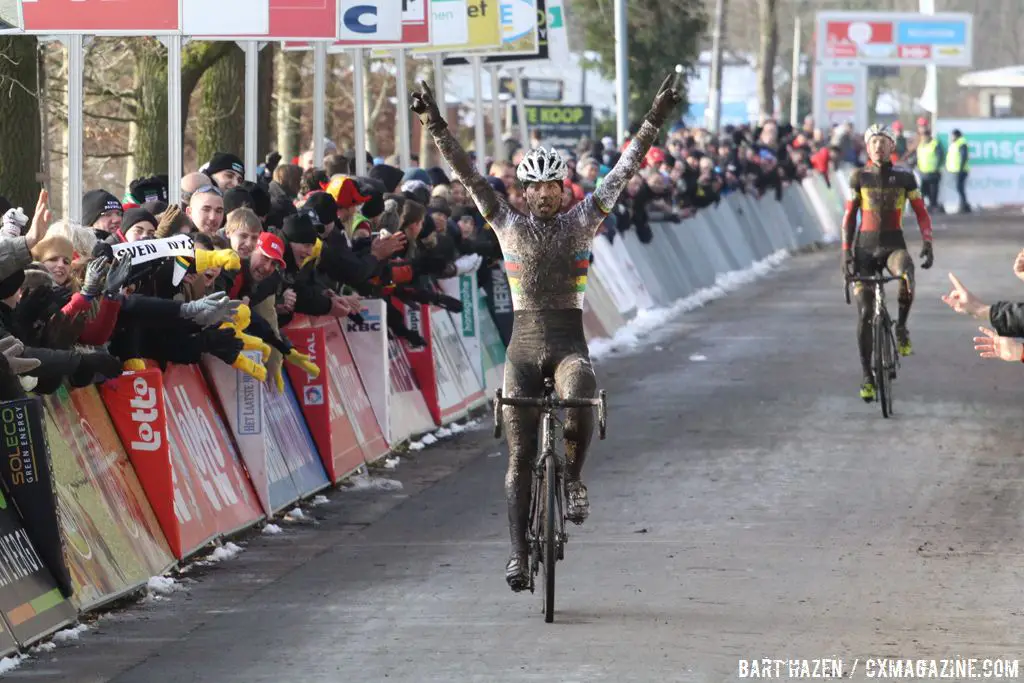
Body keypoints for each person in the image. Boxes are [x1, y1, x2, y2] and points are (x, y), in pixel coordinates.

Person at [411, 74, 682, 592]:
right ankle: (516, 555)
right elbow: (467, 174)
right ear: (524, 190)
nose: (542, 195)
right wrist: (434, 123)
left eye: (551, 186)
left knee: (580, 392)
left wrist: (654, 117)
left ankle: (574, 479)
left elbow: (625, 170)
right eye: (534, 187)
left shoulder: (584, 219)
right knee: (518, 455)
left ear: (563, 189)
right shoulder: (504, 222)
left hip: (567, 345)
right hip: (524, 348)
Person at [842, 124, 934, 402]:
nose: (878, 147)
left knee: (907, 273)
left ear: (892, 147)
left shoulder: (906, 178)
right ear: (868, 148)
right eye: (873, 143)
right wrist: (846, 252)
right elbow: (849, 219)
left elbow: (921, 214)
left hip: (893, 246)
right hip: (864, 251)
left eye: (884, 142)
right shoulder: (858, 176)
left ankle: (902, 327)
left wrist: (927, 241)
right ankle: (867, 376)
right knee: (866, 313)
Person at [945, 129, 970, 214]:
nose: (951, 137)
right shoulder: (956, 143)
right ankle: (964, 204)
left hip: (961, 170)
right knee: (960, 188)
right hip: (957, 170)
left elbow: (964, 156)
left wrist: (960, 168)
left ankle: (964, 205)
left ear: (956, 135)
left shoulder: (961, 143)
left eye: (952, 135)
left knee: (960, 188)